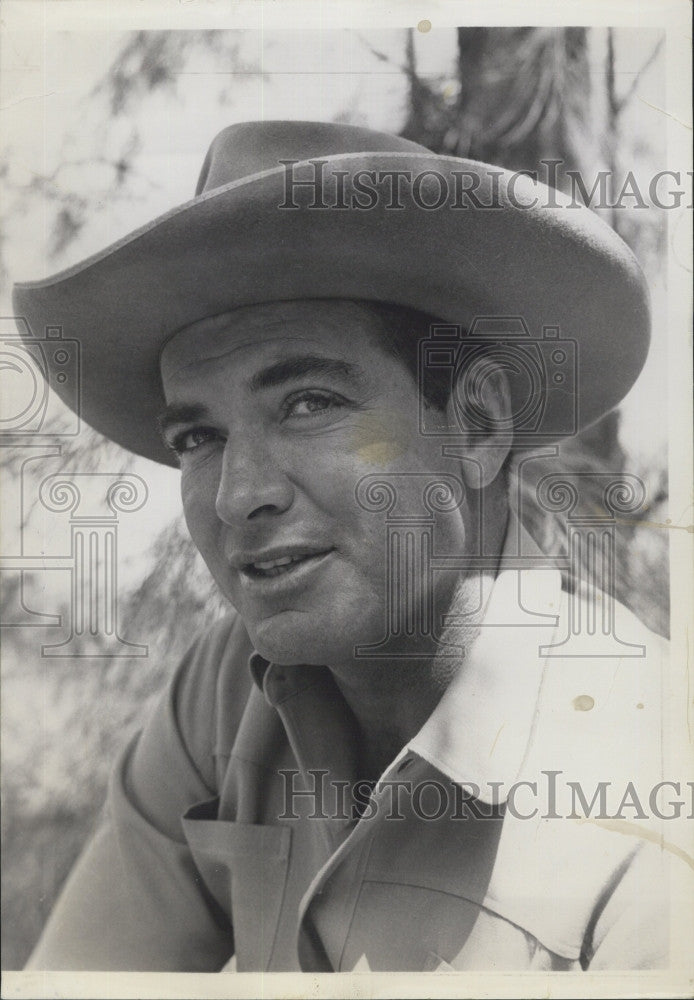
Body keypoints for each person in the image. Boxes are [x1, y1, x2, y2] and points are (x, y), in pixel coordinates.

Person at [12, 120, 687, 972]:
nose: (237, 493)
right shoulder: (228, 696)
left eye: (308, 402)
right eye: (198, 437)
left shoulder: (653, 790)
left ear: (476, 425)